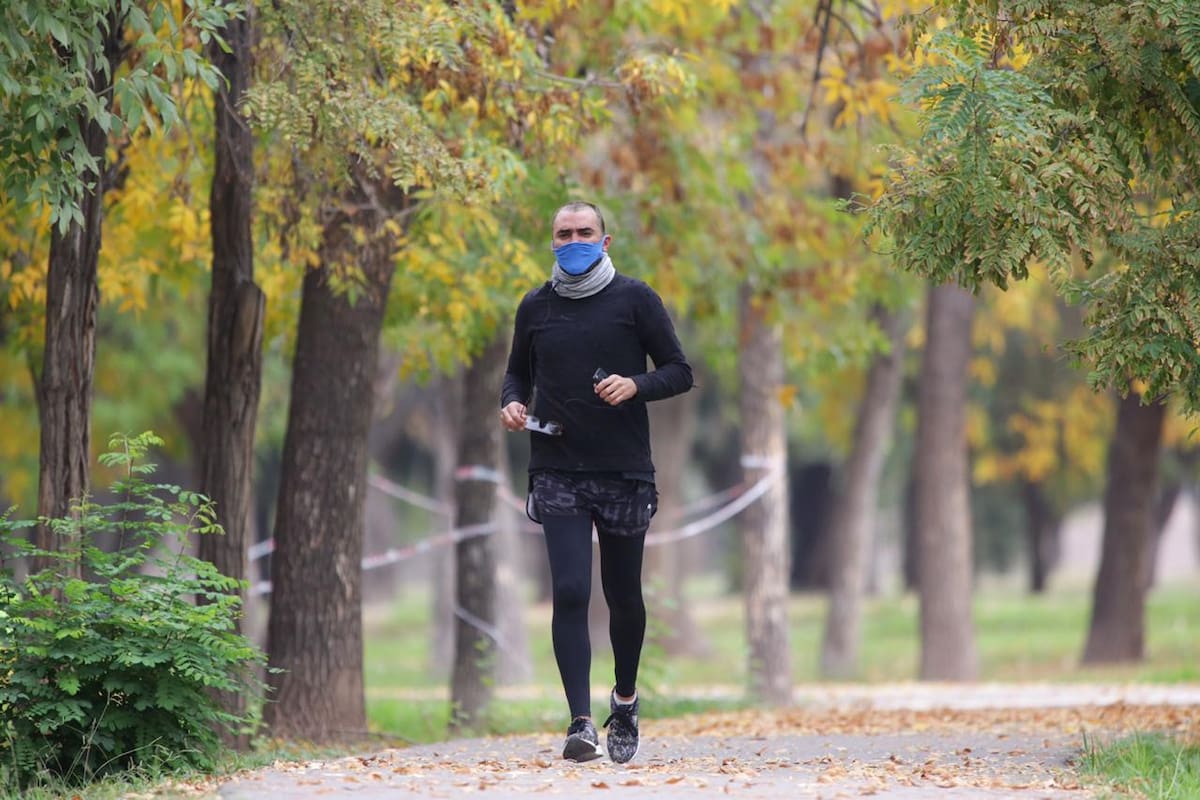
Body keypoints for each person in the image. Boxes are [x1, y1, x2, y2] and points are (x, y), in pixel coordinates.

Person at [499, 201, 693, 764]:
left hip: (624, 470)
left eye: (586, 232)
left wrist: (635, 385)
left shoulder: (636, 300)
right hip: (556, 466)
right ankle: (580, 722)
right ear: (552, 242)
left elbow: (680, 371)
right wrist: (512, 402)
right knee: (569, 591)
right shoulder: (535, 306)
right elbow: (517, 372)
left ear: (606, 242)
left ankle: (625, 701)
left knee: (624, 598)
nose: (575, 240)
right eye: (565, 233)